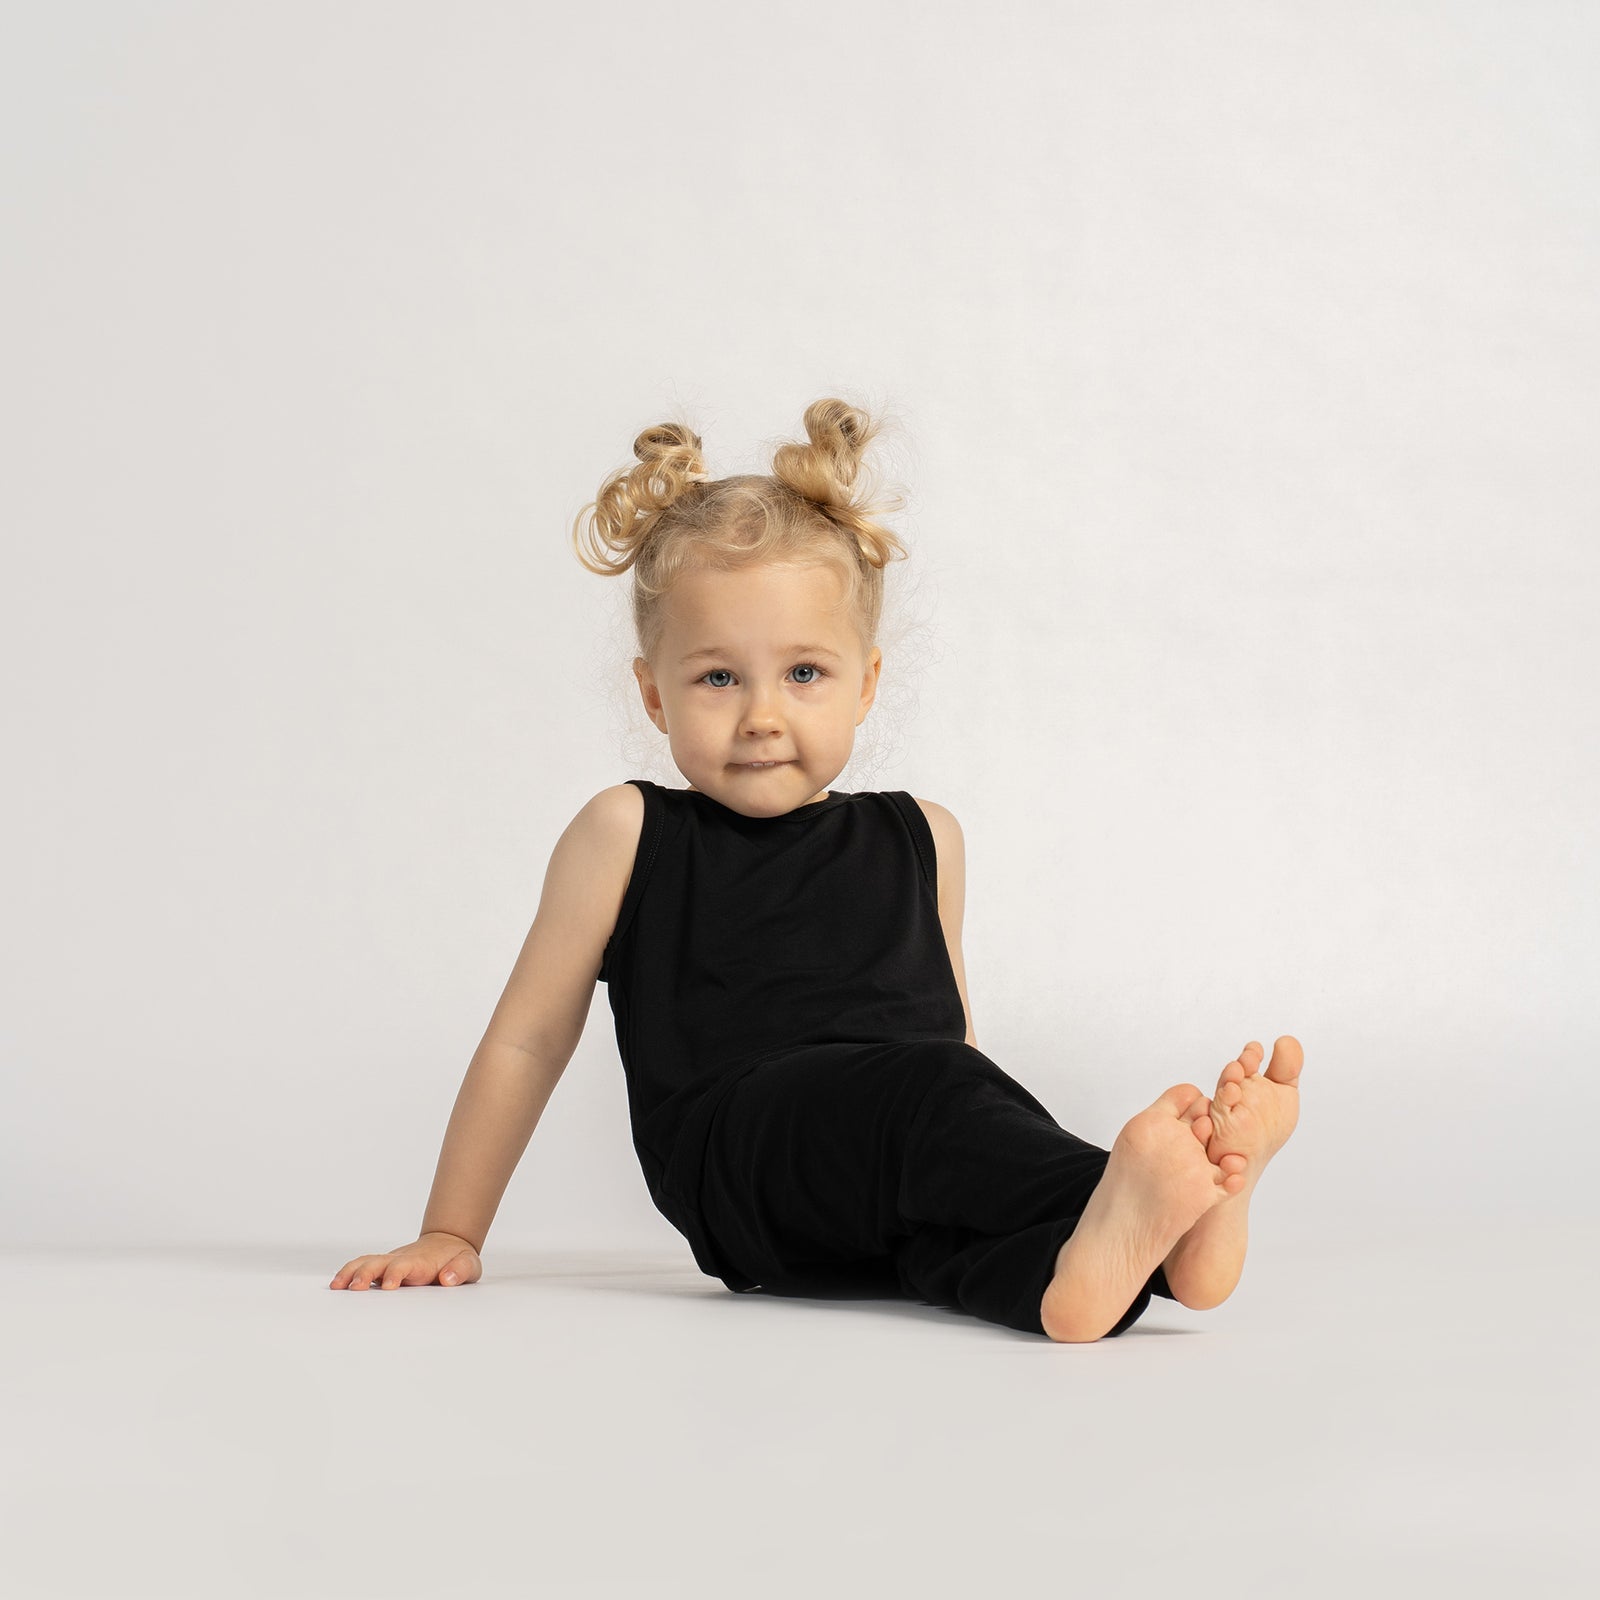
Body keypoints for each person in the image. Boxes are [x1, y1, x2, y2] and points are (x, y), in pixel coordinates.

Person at [329, 397, 1304, 1341]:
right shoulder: (627, 832)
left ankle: (1124, 1267)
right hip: (738, 1165)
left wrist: (966, 1130)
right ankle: (1135, 1205)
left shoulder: (924, 836)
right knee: (929, 1095)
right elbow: (527, 1041)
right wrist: (452, 1230)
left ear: (865, 682)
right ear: (654, 695)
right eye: (718, 677)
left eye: (803, 673)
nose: (762, 715)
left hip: (888, 1161)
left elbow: (953, 1042)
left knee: (947, 1198)